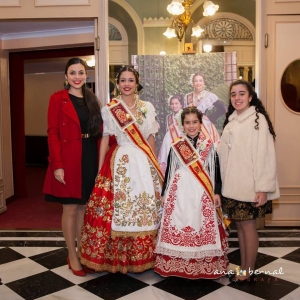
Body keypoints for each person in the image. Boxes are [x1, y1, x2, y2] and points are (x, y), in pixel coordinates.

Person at [80, 65, 163, 274]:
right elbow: (106, 139)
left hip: (143, 161)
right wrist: (100, 169)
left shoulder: (147, 107)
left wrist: (154, 163)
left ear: (137, 84)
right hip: (120, 162)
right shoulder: (110, 109)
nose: (127, 84)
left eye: (131, 80)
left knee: (145, 208)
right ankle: (117, 259)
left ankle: (145, 257)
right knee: (116, 210)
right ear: (118, 84)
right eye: (123, 80)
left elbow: (151, 138)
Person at [43, 58, 102, 277]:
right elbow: (53, 133)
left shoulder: (92, 99)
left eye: (81, 72)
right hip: (67, 159)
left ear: (86, 75)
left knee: (84, 208)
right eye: (72, 73)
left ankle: (82, 252)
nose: (77, 76)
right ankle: (73, 255)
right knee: (69, 208)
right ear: (65, 76)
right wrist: (57, 165)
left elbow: (100, 132)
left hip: (89, 155)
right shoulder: (58, 98)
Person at [154, 106, 229, 279]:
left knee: (201, 222)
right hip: (179, 191)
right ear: (182, 125)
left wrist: (217, 192)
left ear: (201, 123)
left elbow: (216, 171)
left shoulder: (209, 145)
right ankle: (176, 264)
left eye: (195, 122)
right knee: (180, 221)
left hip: (202, 191)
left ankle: (203, 264)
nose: (191, 126)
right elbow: (170, 171)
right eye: (187, 122)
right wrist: (165, 193)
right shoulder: (176, 146)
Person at [218, 80, 279, 283]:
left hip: (251, 187)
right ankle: (244, 268)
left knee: (249, 226)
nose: (237, 98)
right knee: (241, 228)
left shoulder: (257, 120)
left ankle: (248, 270)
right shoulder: (233, 120)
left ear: (250, 97)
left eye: (241, 94)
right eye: (233, 94)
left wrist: (263, 188)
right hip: (233, 187)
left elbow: (265, 155)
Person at [158, 95, 183, 174]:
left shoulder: (185, 115)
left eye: (176, 103)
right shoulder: (168, 117)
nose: (174, 106)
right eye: (172, 104)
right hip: (168, 143)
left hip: (180, 141)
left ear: (181, 104)